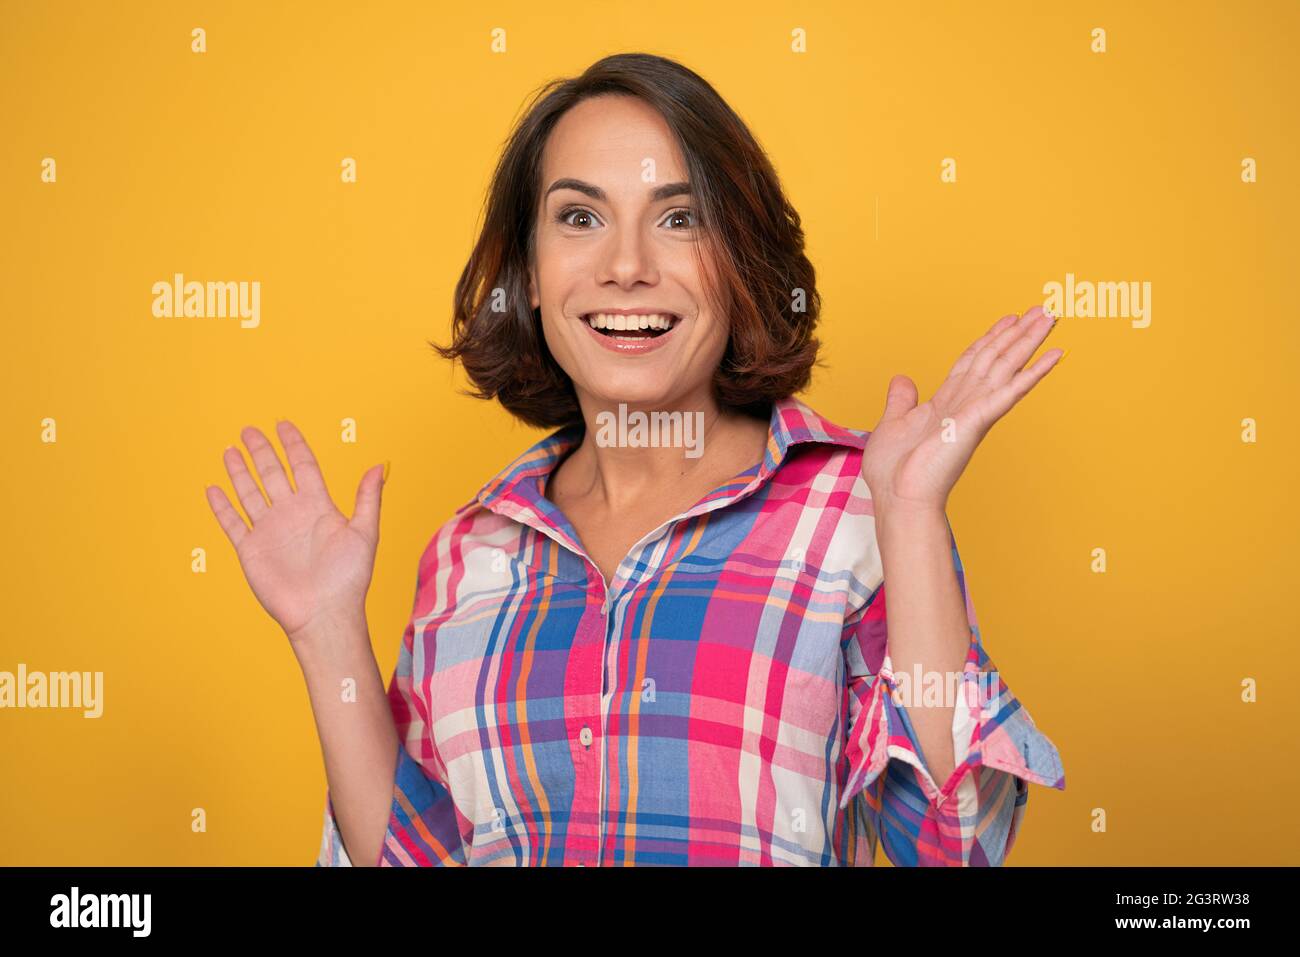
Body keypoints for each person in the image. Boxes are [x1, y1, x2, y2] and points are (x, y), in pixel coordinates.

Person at [204, 52, 1065, 867]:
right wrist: (325, 635)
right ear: (532, 275)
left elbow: (952, 846)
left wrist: (910, 516)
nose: (625, 266)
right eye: (580, 218)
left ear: (739, 263)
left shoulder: (856, 513)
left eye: (680, 219)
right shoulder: (471, 554)